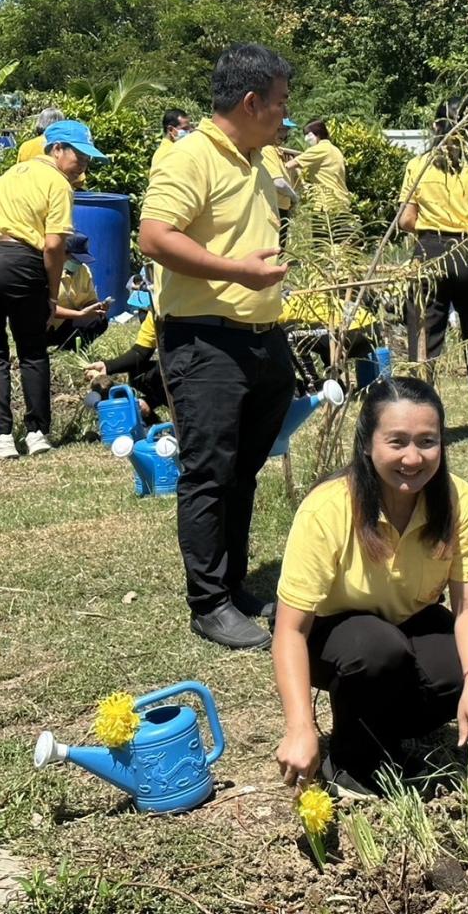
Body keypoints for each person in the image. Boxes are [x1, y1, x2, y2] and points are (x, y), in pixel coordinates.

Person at [273, 377, 468, 797]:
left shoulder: (458, 502)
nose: (413, 458)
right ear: (367, 444)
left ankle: (380, 735)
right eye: (396, 442)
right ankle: (350, 760)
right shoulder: (328, 508)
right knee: (377, 648)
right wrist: (300, 727)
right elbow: (289, 630)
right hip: (335, 638)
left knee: (458, 668)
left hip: (406, 624)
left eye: (427, 441)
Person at [139, 42, 297, 650]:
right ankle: (208, 604)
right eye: (280, 103)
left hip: (261, 338)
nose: (286, 114)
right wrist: (236, 272)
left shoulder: (255, 158)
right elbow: (154, 236)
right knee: (208, 472)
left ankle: (231, 584)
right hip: (205, 340)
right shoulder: (191, 157)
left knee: (243, 471)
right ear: (252, 101)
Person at [0, 119, 105, 460]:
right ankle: (37, 432)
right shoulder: (58, 183)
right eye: (80, 155)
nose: (84, 163)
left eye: (88, 157)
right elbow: (55, 245)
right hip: (18, 261)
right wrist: (51, 296)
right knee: (32, 348)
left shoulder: (11, 173)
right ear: (57, 149)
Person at [398, 97, 468, 441]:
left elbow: (406, 220)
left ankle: (423, 426)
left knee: (424, 341)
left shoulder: (418, 166)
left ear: (436, 127)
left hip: (428, 252)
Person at [83, 313, 166, 423]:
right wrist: (107, 366)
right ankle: (148, 403)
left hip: (191, 368)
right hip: (176, 365)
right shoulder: (157, 310)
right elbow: (140, 352)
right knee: (138, 373)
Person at [45, 234, 109, 351]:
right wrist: (80, 314)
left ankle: (65, 350)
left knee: (99, 320)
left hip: (66, 325)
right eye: (75, 259)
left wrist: (96, 307)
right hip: (44, 326)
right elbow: (45, 307)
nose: (79, 263)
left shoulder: (83, 271)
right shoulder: (47, 269)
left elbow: (90, 300)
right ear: (63, 253)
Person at [287, 119, 351, 219]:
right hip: (341, 203)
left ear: (318, 134)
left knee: (322, 234)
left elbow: (289, 165)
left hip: (326, 204)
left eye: (309, 135)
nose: (306, 139)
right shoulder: (335, 150)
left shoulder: (319, 149)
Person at [262, 118, 302, 246]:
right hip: (273, 208)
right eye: (279, 129)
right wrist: (294, 197)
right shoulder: (268, 149)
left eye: (285, 130)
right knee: (274, 249)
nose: (282, 134)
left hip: (282, 207)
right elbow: (278, 183)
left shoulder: (279, 152)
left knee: (280, 248)